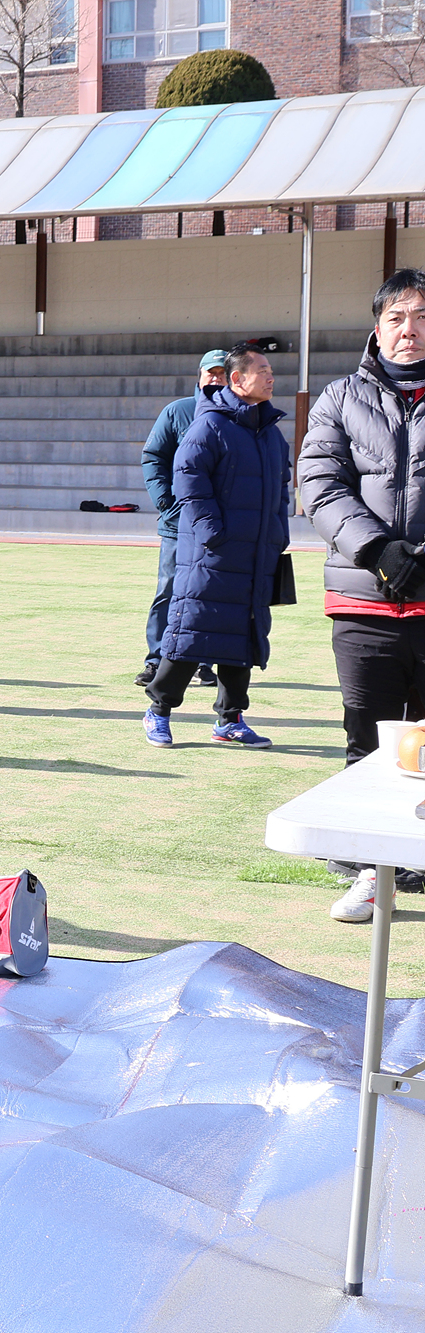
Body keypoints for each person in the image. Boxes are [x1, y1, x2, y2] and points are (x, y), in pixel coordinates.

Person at [298, 269, 425, 923]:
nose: (410, 329)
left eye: (422, 317)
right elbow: (319, 482)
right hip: (365, 603)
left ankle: (418, 857)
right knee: (369, 741)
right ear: (378, 328)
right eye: (397, 317)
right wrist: (378, 552)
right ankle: (374, 873)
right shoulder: (340, 397)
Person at [142, 344, 292, 751]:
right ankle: (159, 710)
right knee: (193, 631)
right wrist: (212, 533)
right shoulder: (209, 424)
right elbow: (187, 477)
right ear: (237, 379)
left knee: (243, 636)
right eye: (262, 370)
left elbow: (282, 488)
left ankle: (231, 719)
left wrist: (278, 533)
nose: (271, 376)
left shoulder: (270, 432)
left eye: (271, 370)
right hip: (213, 553)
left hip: (256, 553)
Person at [139, 351, 230, 689]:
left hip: (218, 525)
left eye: (222, 373)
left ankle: (202, 662)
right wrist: (165, 502)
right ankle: (155, 660)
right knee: (168, 591)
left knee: (210, 594)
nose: (216, 378)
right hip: (179, 524)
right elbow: (153, 457)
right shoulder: (177, 411)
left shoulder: (240, 415)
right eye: (211, 373)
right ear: (200, 375)